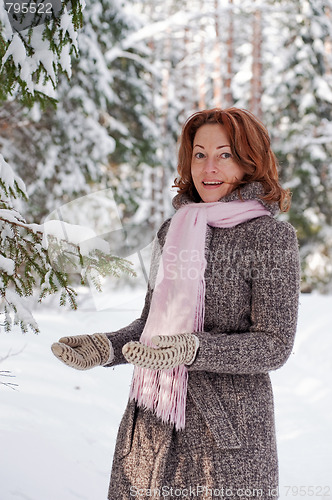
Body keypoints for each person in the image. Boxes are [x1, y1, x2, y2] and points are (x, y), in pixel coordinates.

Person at [51, 108, 301, 500]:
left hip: (224, 436)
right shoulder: (174, 229)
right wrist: (107, 347)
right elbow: (152, 326)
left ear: (250, 161)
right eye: (199, 154)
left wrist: (195, 349)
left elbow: (274, 345)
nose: (209, 167)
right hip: (152, 425)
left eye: (225, 154)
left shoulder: (269, 238)